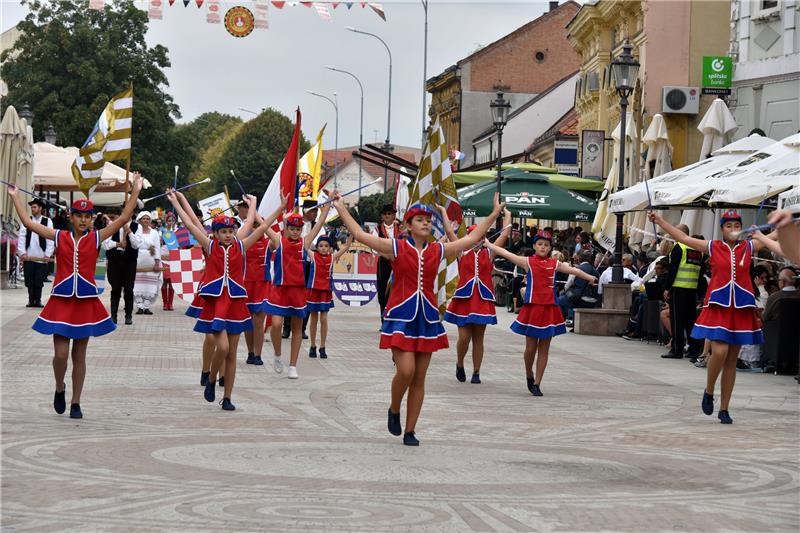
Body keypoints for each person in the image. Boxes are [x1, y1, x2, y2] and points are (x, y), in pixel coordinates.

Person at [332, 193, 504, 446]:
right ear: (408, 226)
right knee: (406, 370)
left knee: (420, 377)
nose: (425, 223)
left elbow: (472, 238)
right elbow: (360, 234)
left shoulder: (438, 250)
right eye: (419, 219)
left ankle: (410, 430)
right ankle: (393, 408)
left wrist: (493, 214)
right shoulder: (396, 247)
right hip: (401, 315)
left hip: (427, 319)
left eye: (427, 220)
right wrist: (340, 208)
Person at [6, 174, 143, 419]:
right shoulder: (60, 236)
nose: (82, 220)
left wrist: (136, 190)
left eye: (87, 216)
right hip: (62, 301)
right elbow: (28, 222)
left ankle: (76, 402)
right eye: (78, 215)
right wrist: (16, 197)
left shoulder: (97, 237)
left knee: (79, 356)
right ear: (71, 218)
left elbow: (124, 217)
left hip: (85, 303)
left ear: (92, 219)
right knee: (60, 356)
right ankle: (60, 387)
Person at [650, 209, 766, 424]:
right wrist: (660, 221)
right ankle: (709, 390)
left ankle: (724, 409)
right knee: (719, 351)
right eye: (729, 226)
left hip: (740, 307)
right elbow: (683, 237)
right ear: (722, 229)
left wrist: (788, 222)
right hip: (719, 305)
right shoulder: (713, 247)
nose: (733, 230)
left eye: (737, 226)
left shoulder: (749, 246)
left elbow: (778, 235)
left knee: (731, 359)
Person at [167, 192, 281, 411]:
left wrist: (258, 204)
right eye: (223, 232)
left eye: (231, 231)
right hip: (216, 302)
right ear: (216, 234)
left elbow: (255, 224)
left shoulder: (241, 245)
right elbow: (191, 224)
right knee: (223, 347)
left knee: (232, 354)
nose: (228, 235)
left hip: (237, 303)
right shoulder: (210, 247)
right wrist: (177, 201)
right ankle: (210, 379)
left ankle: (227, 397)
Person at [486, 231, 598, 396]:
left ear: (550, 247)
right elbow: (507, 254)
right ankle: (529, 374)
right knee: (530, 348)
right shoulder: (528, 262)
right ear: (534, 246)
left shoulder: (555, 264)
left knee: (544, 349)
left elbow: (574, 271)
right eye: (540, 244)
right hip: (533, 309)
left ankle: (537, 383)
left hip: (549, 309)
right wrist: (489, 245)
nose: (543, 247)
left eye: (546, 245)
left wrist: (590, 277)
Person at [441, 206, 512, 384]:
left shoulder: (489, 252)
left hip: (482, 300)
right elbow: (449, 231)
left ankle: (476, 372)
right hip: (464, 300)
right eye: (474, 237)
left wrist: (508, 217)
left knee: (479, 339)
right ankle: (459, 363)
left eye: (480, 237)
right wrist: (443, 211)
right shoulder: (461, 251)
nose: (477, 240)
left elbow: (503, 235)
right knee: (464, 338)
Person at [265, 203, 330, 379]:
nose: (295, 232)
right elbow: (263, 225)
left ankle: (293, 365)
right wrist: (259, 207)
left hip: (298, 291)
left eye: (298, 229)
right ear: (286, 227)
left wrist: (328, 206)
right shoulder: (278, 240)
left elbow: (318, 226)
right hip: (279, 290)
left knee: (297, 328)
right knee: (276, 324)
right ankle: (278, 355)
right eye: (292, 228)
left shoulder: (305, 242)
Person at [307, 234, 353, 359]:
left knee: (324, 319)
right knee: (314, 319)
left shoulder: (332, 257)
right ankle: (312, 346)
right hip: (314, 291)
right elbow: (305, 245)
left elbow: (346, 247)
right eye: (321, 246)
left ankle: (322, 347)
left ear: (330, 248)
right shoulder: (313, 256)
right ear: (317, 247)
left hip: (325, 292)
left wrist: (352, 235)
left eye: (326, 246)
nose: (323, 248)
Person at [662, 226, 704, 360]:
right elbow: (701, 271)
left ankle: (677, 349)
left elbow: (672, 270)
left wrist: (668, 288)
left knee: (677, 321)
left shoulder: (679, 247)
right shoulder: (697, 249)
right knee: (691, 321)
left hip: (678, 288)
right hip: (692, 289)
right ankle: (694, 350)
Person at [239, 199, 270, 366]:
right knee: (248, 320)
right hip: (246, 284)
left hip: (263, 284)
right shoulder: (243, 243)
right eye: (254, 225)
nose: (256, 229)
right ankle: (250, 352)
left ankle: (258, 354)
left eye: (259, 226)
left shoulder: (269, 243)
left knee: (259, 320)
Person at [102, 209, 139, 324]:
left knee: (129, 289)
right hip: (115, 261)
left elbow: (137, 244)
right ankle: (113, 316)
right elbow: (105, 244)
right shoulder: (112, 225)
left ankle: (128, 316)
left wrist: (129, 232)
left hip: (129, 261)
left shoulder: (136, 226)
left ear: (132, 213)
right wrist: (117, 244)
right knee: (115, 289)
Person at [17, 197, 54, 307]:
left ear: (40, 208)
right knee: (29, 280)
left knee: (39, 281)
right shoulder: (27, 220)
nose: (32, 209)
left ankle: (38, 300)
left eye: (34, 207)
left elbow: (50, 239)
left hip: (42, 257)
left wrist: (48, 254)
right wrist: (22, 253)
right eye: (32, 207)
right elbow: (22, 237)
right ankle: (30, 300)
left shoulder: (47, 221)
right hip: (29, 255)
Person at [130, 211, 162, 315]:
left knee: (150, 284)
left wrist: (157, 262)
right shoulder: (135, 232)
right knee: (136, 283)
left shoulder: (154, 233)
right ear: (139, 220)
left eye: (148, 219)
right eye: (143, 218)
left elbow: (157, 247)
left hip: (151, 260)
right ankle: (139, 306)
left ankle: (147, 306)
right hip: (137, 259)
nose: (146, 220)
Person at [557, 250, 599, 326]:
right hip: (593, 300)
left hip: (579, 299)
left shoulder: (576, 270)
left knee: (561, 299)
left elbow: (567, 285)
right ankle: (570, 318)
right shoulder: (596, 271)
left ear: (579, 259)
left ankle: (563, 320)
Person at [374, 203, 400, 323]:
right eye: (385, 214)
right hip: (384, 262)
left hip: (399, 262)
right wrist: (387, 255)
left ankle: (396, 318)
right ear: (382, 216)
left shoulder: (401, 228)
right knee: (383, 290)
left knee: (398, 289)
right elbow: (374, 248)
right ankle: (383, 319)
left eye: (390, 214)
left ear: (394, 215)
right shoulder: (377, 229)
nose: (387, 216)